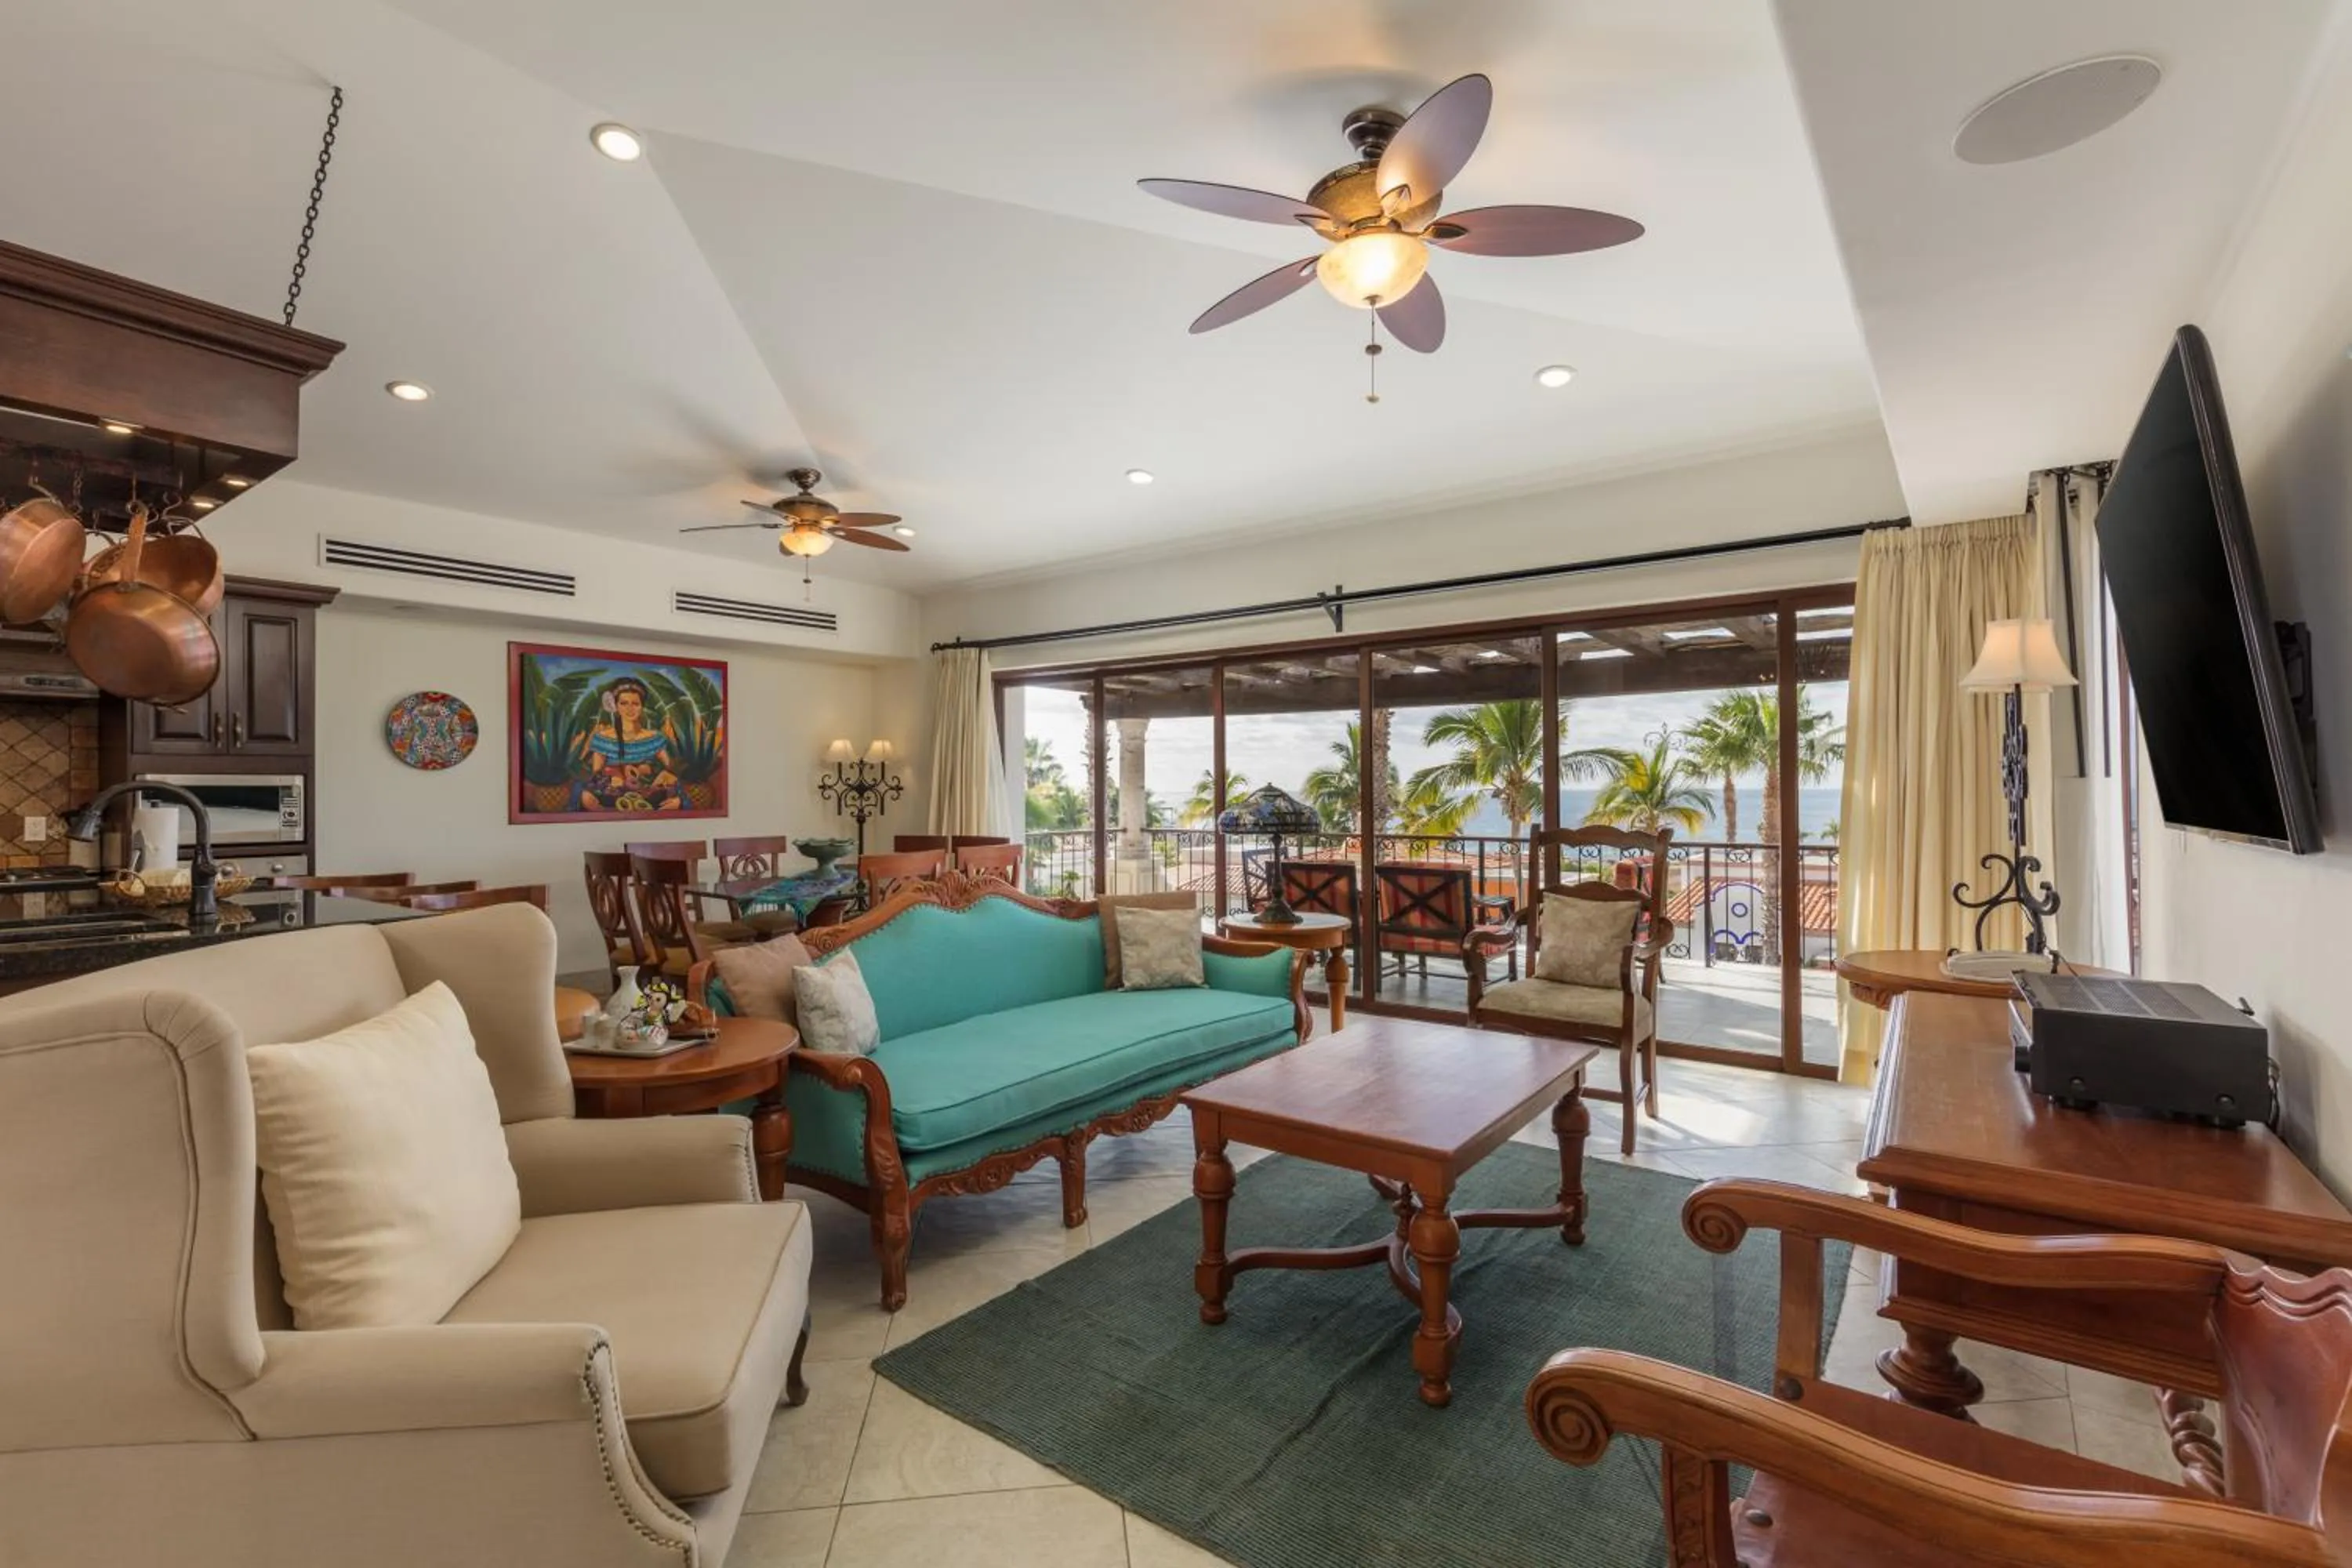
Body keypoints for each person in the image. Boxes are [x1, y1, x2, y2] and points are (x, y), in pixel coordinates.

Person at [579, 677, 684, 811]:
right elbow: (596, 776)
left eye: (635, 703)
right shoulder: (602, 738)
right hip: (612, 797)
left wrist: (678, 799)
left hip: (649, 796)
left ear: (642, 706)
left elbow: (670, 772)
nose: (630, 709)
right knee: (585, 797)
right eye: (624, 703)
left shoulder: (655, 738)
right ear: (615, 706)